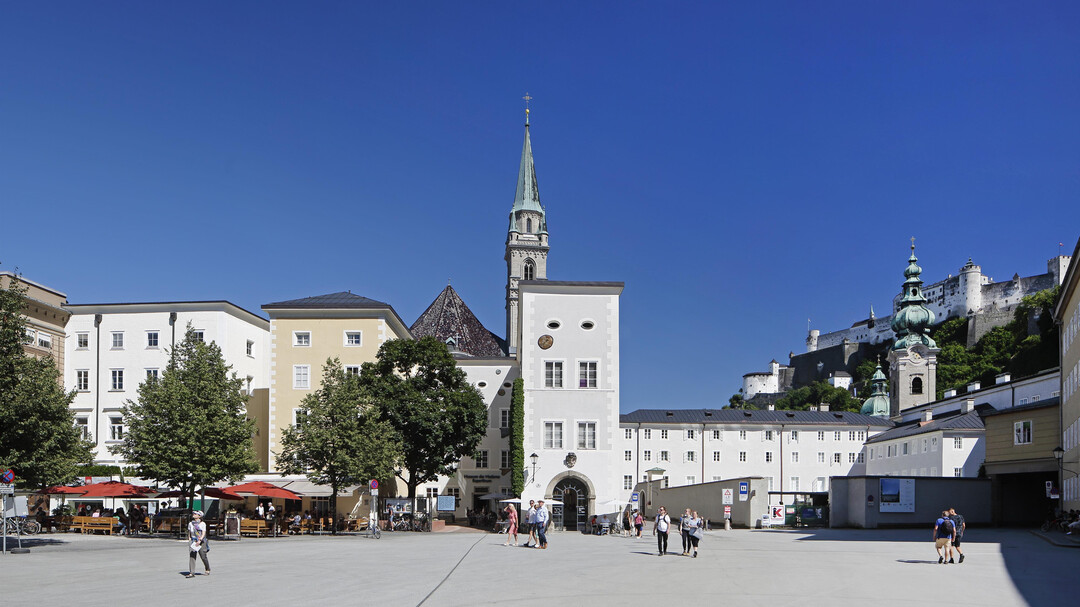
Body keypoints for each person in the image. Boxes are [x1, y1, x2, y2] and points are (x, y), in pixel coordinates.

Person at [186, 511, 210, 578]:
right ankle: (192, 572)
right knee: (192, 556)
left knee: (203, 556)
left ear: (199, 516)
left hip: (201, 541)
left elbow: (203, 533)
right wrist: (189, 539)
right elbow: (189, 532)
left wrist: (200, 540)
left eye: (195, 514)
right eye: (193, 513)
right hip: (193, 541)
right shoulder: (190, 523)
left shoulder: (202, 524)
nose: (194, 515)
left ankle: (207, 569)